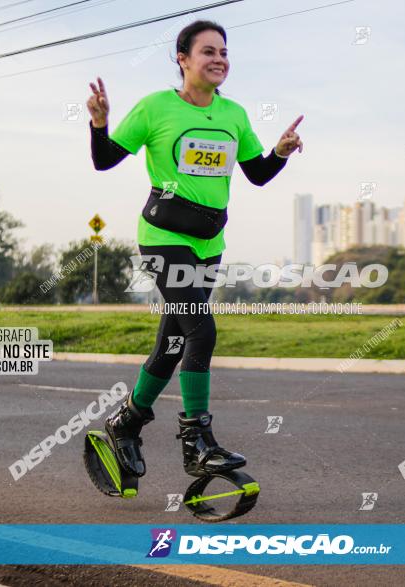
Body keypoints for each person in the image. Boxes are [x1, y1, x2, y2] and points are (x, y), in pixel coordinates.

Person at [86, 20, 302, 480]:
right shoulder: (155, 108)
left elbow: (258, 175)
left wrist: (280, 152)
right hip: (164, 238)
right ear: (183, 58)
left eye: (224, 51)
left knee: (174, 342)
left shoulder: (234, 115)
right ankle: (197, 442)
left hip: (210, 243)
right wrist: (99, 123)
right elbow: (104, 161)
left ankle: (126, 423)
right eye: (208, 51)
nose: (219, 59)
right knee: (201, 332)